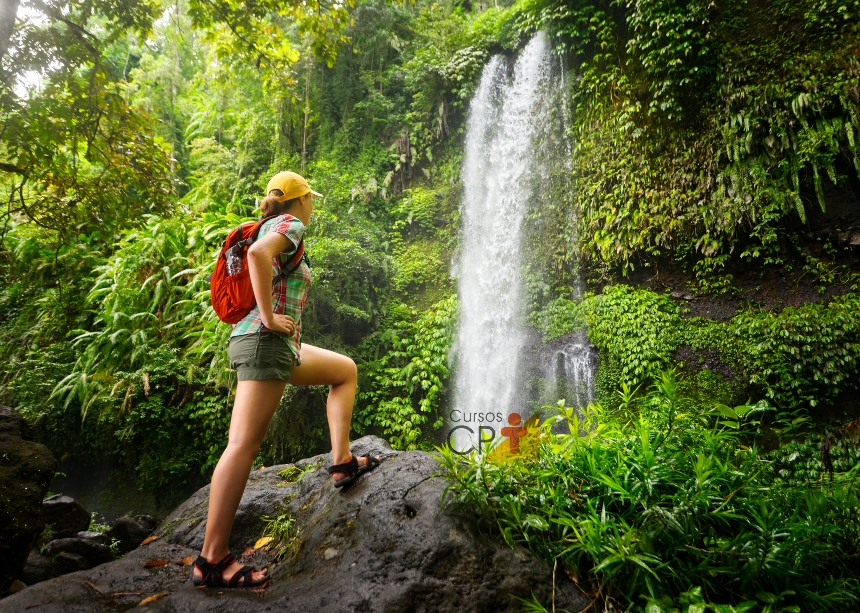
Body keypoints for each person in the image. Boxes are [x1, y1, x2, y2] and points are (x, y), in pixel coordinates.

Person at [193, 171, 381, 588]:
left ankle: (342, 462)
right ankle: (212, 560)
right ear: (299, 201)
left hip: (273, 344)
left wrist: (276, 322)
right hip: (264, 341)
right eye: (310, 199)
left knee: (344, 370)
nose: (312, 206)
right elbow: (259, 255)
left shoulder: (266, 225)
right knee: (242, 445)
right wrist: (269, 317)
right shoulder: (288, 226)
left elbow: (262, 262)